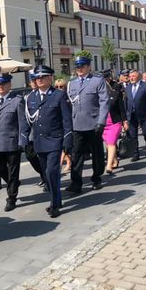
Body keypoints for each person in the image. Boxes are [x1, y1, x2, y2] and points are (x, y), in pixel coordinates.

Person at [25, 65, 72, 218]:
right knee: (46, 174)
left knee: (52, 171)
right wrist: (24, 138)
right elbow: (28, 120)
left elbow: (66, 119)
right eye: (36, 78)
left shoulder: (59, 95)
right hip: (39, 141)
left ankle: (54, 205)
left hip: (54, 140)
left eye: (42, 77)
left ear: (50, 78)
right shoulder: (31, 97)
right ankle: (57, 199)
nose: (39, 80)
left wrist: (67, 139)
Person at [0, 73, 29, 212]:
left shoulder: (17, 101)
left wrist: (22, 140)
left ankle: (11, 198)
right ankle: (12, 183)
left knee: (13, 171)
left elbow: (22, 123)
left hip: (12, 142)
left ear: (10, 85)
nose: (1, 86)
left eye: (3, 84)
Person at [66, 56, 109, 193]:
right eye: (77, 66)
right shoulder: (71, 83)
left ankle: (97, 178)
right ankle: (76, 182)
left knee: (97, 153)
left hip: (93, 123)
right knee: (76, 154)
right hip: (77, 124)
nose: (79, 69)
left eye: (82, 66)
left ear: (89, 67)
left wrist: (101, 121)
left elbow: (104, 102)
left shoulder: (97, 81)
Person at [101, 70, 128, 173]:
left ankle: (108, 165)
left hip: (115, 121)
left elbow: (121, 108)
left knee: (111, 142)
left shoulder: (116, 91)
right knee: (108, 144)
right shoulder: (98, 95)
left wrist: (124, 121)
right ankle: (115, 160)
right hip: (103, 122)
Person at [125, 70, 146, 161]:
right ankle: (135, 153)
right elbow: (126, 101)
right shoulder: (128, 87)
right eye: (130, 76)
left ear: (139, 77)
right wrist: (125, 116)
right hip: (131, 114)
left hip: (144, 114)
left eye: (133, 76)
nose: (131, 78)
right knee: (133, 135)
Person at [24, 74, 46, 185]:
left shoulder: (46, 94)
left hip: (44, 131)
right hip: (31, 133)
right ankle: (43, 173)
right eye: (32, 81)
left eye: (35, 80)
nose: (33, 83)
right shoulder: (27, 97)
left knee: (44, 156)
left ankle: (47, 178)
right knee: (30, 155)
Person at [55, 79, 71, 173]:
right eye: (56, 87)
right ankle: (68, 161)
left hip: (66, 125)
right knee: (61, 146)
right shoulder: (54, 97)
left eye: (61, 86)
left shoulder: (67, 97)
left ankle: (60, 164)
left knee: (64, 146)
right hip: (57, 125)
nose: (59, 88)